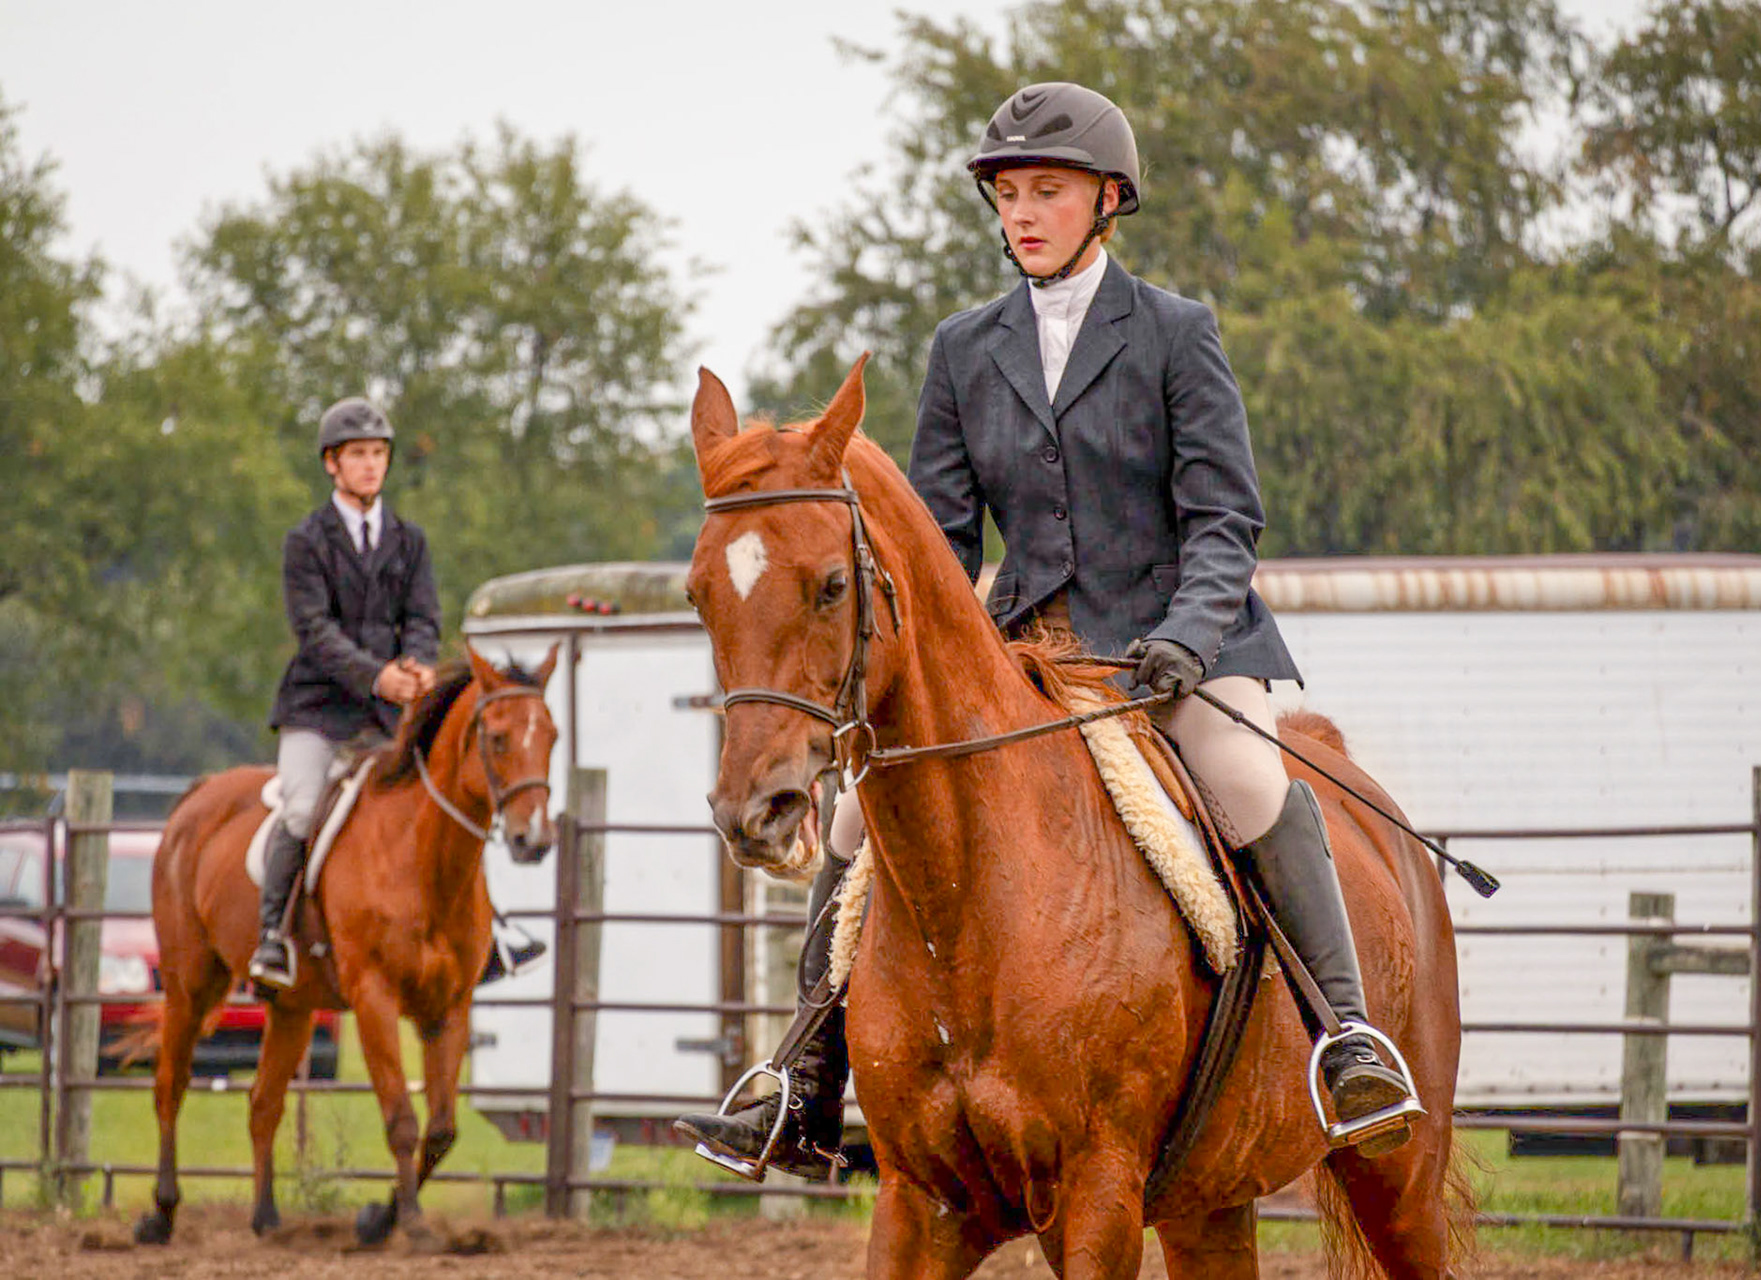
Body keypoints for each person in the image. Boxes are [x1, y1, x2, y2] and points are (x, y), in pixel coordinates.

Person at [677, 82, 1415, 1177]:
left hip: (1178, 649)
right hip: (1035, 652)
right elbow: (935, 536)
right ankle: (803, 1073)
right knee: (850, 828)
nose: (1024, 212)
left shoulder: (1175, 332)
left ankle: (1349, 1037)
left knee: (1252, 781)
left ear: (1108, 200)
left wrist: (1189, 632)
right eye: (1009, 193)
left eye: (1048, 192)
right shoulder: (965, 349)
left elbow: (1225, 520)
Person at [252, 397, 543, 989]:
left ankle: (492, 934)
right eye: (357, 455)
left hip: (390, 713)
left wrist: (417, 665)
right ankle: (273, 937)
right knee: (304, 805)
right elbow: (314, 632)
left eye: (378, 454)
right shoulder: (305, 542)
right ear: (332, 464)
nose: (369, 465)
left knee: (445, 805)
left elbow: (424, 617)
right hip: (318, 710)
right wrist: (376, 675)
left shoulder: (409, 541)